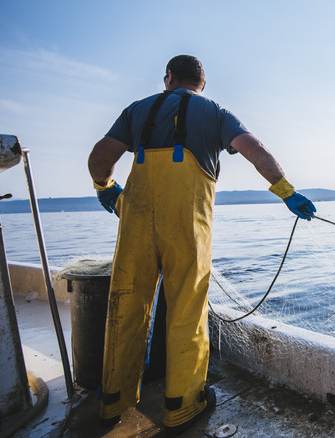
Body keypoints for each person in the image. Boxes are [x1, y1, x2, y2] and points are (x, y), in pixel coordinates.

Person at [87, 54, 316, 436]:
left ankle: (113, 402)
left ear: (169, 78)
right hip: (187, 225)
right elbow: (253, 147)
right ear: (202, 83)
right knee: (186, 308)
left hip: (136, 221)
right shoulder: (215, 111)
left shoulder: (137, 110)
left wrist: (105, 188)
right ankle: (182, 405)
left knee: (125, 304)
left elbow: (100, 157)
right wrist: (286, 191)